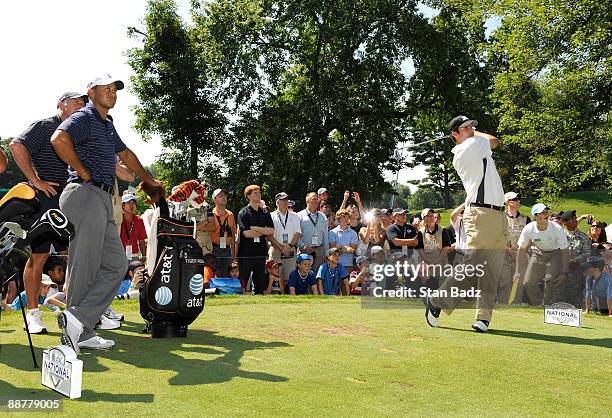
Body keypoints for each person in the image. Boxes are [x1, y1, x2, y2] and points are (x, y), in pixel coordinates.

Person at [51, 75, 164, 353]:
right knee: (85, 265)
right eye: (107, 89)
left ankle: (80, 323)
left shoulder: (106, 123)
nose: (112, 93)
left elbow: (125, 154)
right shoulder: (85, 117)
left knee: (115, 265)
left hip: (101, 197)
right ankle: (78, 327)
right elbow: (59, 139)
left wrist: (148, 180)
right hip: (84, 193)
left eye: (115, 90)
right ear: (91, 92)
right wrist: (82, 169)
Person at [9, 91, 87, 334]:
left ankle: (84, 311)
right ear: (60, 105)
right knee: (39, 257)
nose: (79, 106)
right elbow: (16, 145)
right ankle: (33, 315)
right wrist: (35, 180)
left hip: (72, 199)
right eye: (73, 101)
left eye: (82, 104)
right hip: (47, 200)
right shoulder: (45, 126)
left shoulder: (79, 132)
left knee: (81, 256)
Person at [426, 115, 507, 333]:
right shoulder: (469, 147)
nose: (471, 129)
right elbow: (494, 140)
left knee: (492, 269)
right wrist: (474, 134)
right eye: (466, 127)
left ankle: (483, 318)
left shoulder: (473, 143)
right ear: (454, 134)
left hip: (499, 214)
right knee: (473, 264)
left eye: (473, 126)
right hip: (481, 213)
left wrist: (467, 130)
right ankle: (437, 301)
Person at [515, 204, 570, 306]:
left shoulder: (557, 228)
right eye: (542, 213)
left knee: (549, 280)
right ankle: (538, 305)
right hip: (539, 253)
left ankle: (546, 305)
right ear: (535, 216)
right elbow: (521, 249)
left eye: (546, 212)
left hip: (556, 253)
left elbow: (565, 251)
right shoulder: (528, 228)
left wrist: (565, 273)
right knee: (528, 282)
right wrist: (517, 271)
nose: (546, 214)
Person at [236, 185, 275, 294]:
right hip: (246, 253)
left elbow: (271, 230)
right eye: (255, 193)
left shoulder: (265, 213)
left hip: (260, 253)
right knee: (243, 281)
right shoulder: (243, 213)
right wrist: (263, 230)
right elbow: (247, 233)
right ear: (248, 196)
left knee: (259, 283)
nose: (258, 194)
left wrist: (256, 228)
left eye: (259, 192)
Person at [550, 210, 591, 307]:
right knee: (557, 298)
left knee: (574, 299)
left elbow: (586, 253)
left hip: (576, 272)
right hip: (559, 271)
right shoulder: (559, 236)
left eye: (575, 218)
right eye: (572, 219)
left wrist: (573, 260)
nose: (575, 220)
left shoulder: (584, 237)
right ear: (564, 223)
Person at [497, 192, 530, 304]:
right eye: (515, 199)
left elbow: (531, 237)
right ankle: (503, 305)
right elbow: (496, 236)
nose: (518, 200)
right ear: (508, 202)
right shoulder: (500, 218)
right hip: (504, 255)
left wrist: (524, 249)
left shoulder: (526, 219)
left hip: (521, 255)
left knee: (519, 283)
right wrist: (508, 249)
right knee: (505, 282)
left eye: (518, 199)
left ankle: (516, 306)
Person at [269, 192, 302, 284]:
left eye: (286, 199)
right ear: (277, 202)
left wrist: (290, 245)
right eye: (282, 200)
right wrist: (280, 247)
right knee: (275, 276)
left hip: (290, 249)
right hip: (276, 249)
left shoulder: (295, 215)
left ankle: (290, 296)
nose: (285, 202)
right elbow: (269, 235)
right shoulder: (270, 216)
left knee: (290, 277)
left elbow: (298, 233)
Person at [417, 208, 453, 288]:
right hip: (426, 261)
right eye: (428, 216)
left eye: (432, 215)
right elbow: (420, 249)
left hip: (441, 260)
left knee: (443, 285)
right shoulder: (420, 232)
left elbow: (446, 247)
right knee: (427, 282)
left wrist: (437, 260)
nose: (431, 217)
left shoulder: (443, 230)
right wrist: (428, 260)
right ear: (424, 218)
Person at [297, 192, 329, 272]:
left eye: (317, 199)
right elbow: (295, 235)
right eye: (314, 199)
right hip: (304, 251)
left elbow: (325, 237)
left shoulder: (323, 216)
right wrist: (303, 246)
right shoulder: (299, 215)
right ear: (307, 200)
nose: (316, 201)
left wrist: (326, 253)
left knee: (318, 278)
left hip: (319, 251)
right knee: (303, 276)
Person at [210, 188, 237, 277]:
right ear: (214, 200)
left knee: (227, 274)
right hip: (214, 248)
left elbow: (233, 235)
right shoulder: (210, 214)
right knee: (215, 273)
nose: (224, 197)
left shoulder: (230, 215)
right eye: (220, 196)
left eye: (225, 196)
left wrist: (234, 255)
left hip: (227, 249)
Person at [328, 209, 359, 276]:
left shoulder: (353, 233)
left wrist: (339, 247)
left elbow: (353, 249)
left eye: (348, 217)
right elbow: (332, 248)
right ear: (338, 218)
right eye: (344, 216)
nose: (347, 218)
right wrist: (344, 247)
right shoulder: (332, 232)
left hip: (348, 265)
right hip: (334, 264)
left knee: (347, 286)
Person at [119, 193, 147, 261]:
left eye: (133, 203)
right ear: (123, 205)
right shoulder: (118, 220)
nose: (132, 205)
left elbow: (141, 240)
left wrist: (144, 256)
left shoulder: (139, 220)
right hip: (119, 256)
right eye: (129, 203)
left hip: (134, 256)